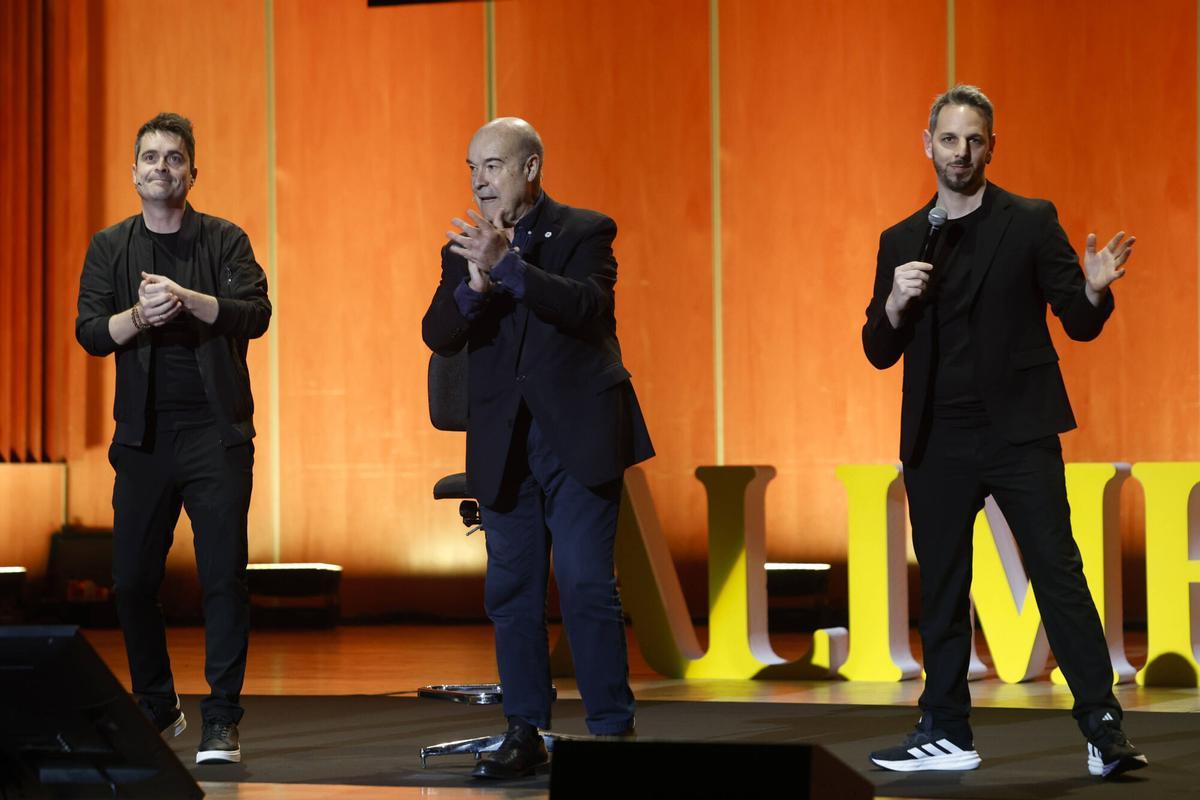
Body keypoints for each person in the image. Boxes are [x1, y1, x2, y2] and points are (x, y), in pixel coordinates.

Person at [861, 85, 1147, 778]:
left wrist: (1094, 289)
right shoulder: (902, 239)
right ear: (927, 145)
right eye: (949, 139)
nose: (961, 152)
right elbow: (877, 348)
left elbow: (1077, 322)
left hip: (1019, 431)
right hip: (937, 438)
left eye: (974, 140)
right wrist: (894, 302)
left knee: (1057, 572)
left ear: (992, 146)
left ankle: (1102, 725)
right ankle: (945, 729)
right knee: (943, 586)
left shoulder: (1030, 221)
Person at [422, 117, 653, 779]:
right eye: (472, 168)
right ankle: (525, 730)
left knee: (584, 584)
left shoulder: (585, 231)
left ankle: (610, 731)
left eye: (492, 165)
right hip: (504, 440)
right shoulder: (463, 248)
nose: (479, 181)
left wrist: (510, 267)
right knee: (513, 590)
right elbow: (437, 333)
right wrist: (473, 284)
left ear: (530, 168)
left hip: (577, 434)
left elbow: (587, 307)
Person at [76, 112, 270, 765]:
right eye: (151, 157)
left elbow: (256, 314)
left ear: (192, 172)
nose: (162, 166)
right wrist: (138, 315)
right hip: (143, 438)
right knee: (131, 581)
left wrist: (190, 299)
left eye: (174, 158)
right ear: (134, 173)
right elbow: (90, 332)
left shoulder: (224, 239)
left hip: (216, 435)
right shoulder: (110, 246)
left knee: (223, 579)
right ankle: (157, 705)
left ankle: (222, 719)